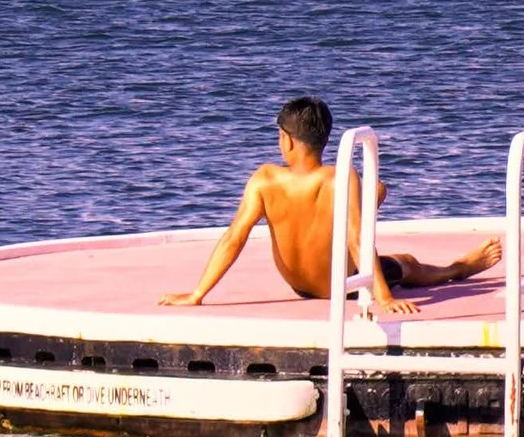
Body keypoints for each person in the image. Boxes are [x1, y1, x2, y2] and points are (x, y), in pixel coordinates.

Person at [161, 95, 502, 318]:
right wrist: (383, 295)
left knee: (369, 200)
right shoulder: (341, 178)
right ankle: (457, 268)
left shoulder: (263, 180)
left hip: (297, 284)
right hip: (339, 285)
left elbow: (234, 236)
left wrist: (197, 294)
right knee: (408, 263)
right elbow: (357, 240)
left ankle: (374, 201)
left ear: (287, 139)